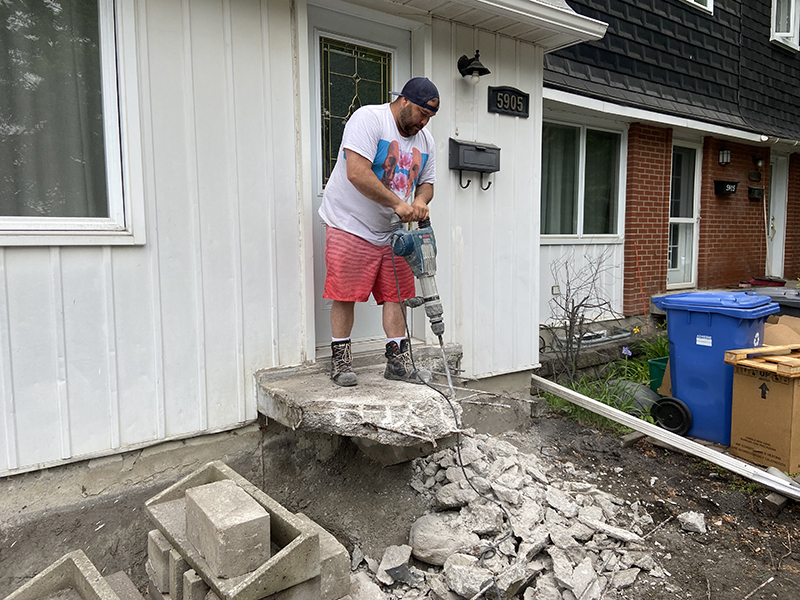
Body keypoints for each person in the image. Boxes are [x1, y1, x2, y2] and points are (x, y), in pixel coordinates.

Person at [318, 77, 439, 387]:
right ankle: (341, 361)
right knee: (345, 293)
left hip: (393, 230)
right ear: (404, 102)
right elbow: (357, 172)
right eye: (421, 114)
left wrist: (420, 202)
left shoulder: (426, 141)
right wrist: (399, 203)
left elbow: (427, 183)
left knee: (396, 294)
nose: (424, 123)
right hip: (349, 222)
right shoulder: (369, 119)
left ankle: (398, 361)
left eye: (430, 118)